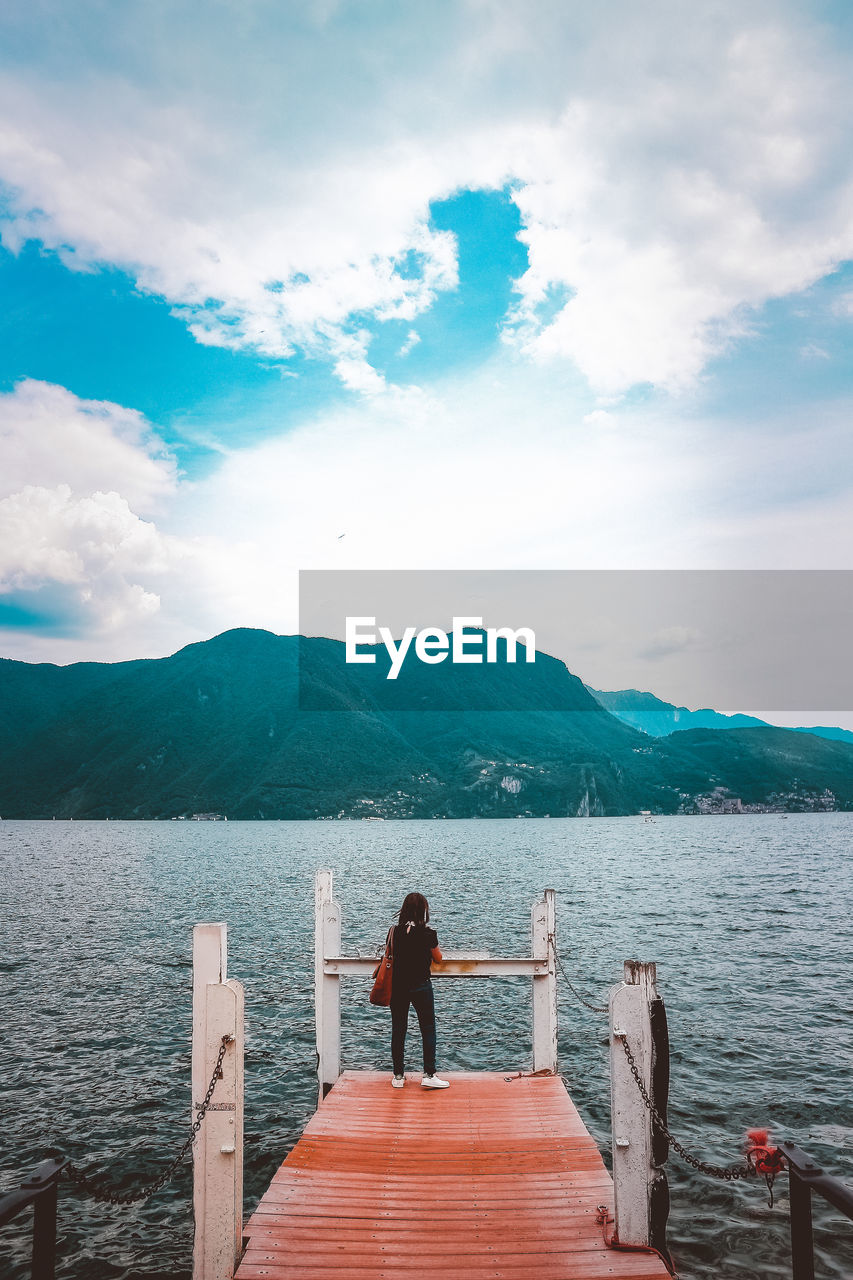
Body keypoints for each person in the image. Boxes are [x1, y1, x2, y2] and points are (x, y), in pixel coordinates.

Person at [389, 892, 449, 1089]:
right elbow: (438, 958)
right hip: (420, 985)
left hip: (398, 986)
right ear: (424, 911)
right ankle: (429, 1074)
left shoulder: (394, 932)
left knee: (399, 1029)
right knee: (428, 1029)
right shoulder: (428, 934)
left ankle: (398, 1076)